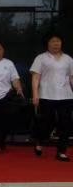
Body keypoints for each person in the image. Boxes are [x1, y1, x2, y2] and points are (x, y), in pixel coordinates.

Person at [30, 33, 73, 162]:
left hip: (65, 95)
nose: (56, 44)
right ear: (47, 44)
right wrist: (35, 94)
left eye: (58, 41)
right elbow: (36, 77)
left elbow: (71, 78)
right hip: (46, 95)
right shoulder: (41, 58)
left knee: (65, 123)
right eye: (53, 41)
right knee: (46, 122)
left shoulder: (68, 59)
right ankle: (39, 140)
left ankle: (61, 151)